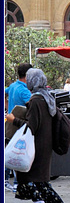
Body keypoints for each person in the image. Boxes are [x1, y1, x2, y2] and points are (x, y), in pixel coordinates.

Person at [5, 68, 64, 203]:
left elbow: (32, 126)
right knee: (39, 178)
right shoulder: (48, 97)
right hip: (46, 144)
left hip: (35, 145)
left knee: (25, 175)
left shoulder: (36, 100)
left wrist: (13, 120)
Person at [5, 63, 33, 193]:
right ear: (28, 75)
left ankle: (6, 181)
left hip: (10, 123)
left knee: (10, 151)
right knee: (18, 153)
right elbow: (32, 107)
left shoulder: (13, 86)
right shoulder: (24, 91)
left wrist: (7, 107)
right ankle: (17, 182)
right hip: (19, 125)